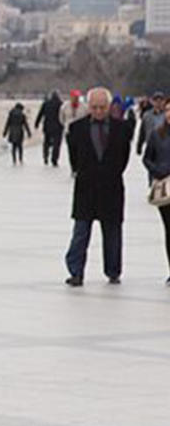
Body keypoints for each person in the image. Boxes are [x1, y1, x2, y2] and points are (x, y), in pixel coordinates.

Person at [63, 87, 134, 287]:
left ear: (109, 106)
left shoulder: (122, 128)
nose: (98, 111)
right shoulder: (77, 128)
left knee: (112, 232)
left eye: (102, 107)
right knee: (80, 232)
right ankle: (75, 271)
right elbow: (74, 158)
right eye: (94, 107)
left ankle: (113, 270)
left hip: (111, 186)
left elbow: (124, 158)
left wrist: (110, 172)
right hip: (86, 187)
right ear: (89, 106)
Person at [142, 100, 170, 286]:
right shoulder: (156, 134)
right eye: (168, 110)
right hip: (165, 189)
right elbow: (147, 158)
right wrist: (158, 171)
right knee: (169, 230)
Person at [34, 91, 64, 167]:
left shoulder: (46, 103)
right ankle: (54, 160)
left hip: (47, 126)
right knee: (57, 144)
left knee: (46, 142)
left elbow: (40, 114)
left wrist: (36, 123)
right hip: (58, 127)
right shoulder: (61, 104)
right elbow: (64, 115)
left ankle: (45, 157)